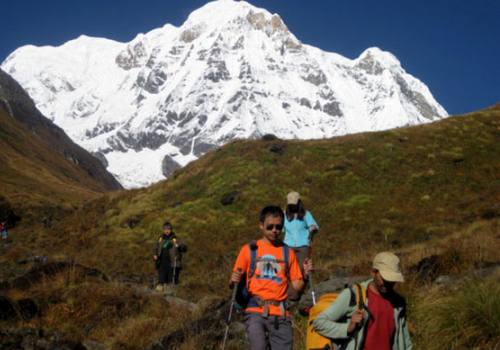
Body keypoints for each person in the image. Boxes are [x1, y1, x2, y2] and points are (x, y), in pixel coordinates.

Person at [230, 205, 313, 350]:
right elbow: (234, 282)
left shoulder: (288, 252)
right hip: (255, 310)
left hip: (281, 314)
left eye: (279, 227)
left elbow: (297, 289)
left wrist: (305, 275)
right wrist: (233, 279)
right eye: (270, 227)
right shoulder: (249, 250)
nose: (275, 230)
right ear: (261, 226)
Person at [313, 252, 413, 350]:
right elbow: (319, 322)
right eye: (385, 279)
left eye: (392, 280)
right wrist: (347, 328)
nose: (388, 283)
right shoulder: (353, 295)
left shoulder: (398, 302)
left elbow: (405, 340)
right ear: (373, 273)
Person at [283, 191, 319, 273]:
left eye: (294, 204)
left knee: (303, 269)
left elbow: (314, 226)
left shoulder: (306, 214)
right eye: (290, 205)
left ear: (299, 203)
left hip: (303, 246)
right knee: (288, 269)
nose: (292, 206)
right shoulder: (284, 215)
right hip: (288, 246)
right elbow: (280, 229)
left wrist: (313, 228)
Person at [153, 222, 187, 293]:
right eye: (165, 229)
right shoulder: (160, 239)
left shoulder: (176, 238)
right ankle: (160, 296)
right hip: (162, 263)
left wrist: (179, 246)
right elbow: (156, 248)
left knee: (171, 281)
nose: (167, 231)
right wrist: (155, 255)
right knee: (161, 281)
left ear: (171, 230)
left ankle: (171, 296)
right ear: (163, 230)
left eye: (168, 229)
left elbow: (184, 249)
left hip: (173, 263)